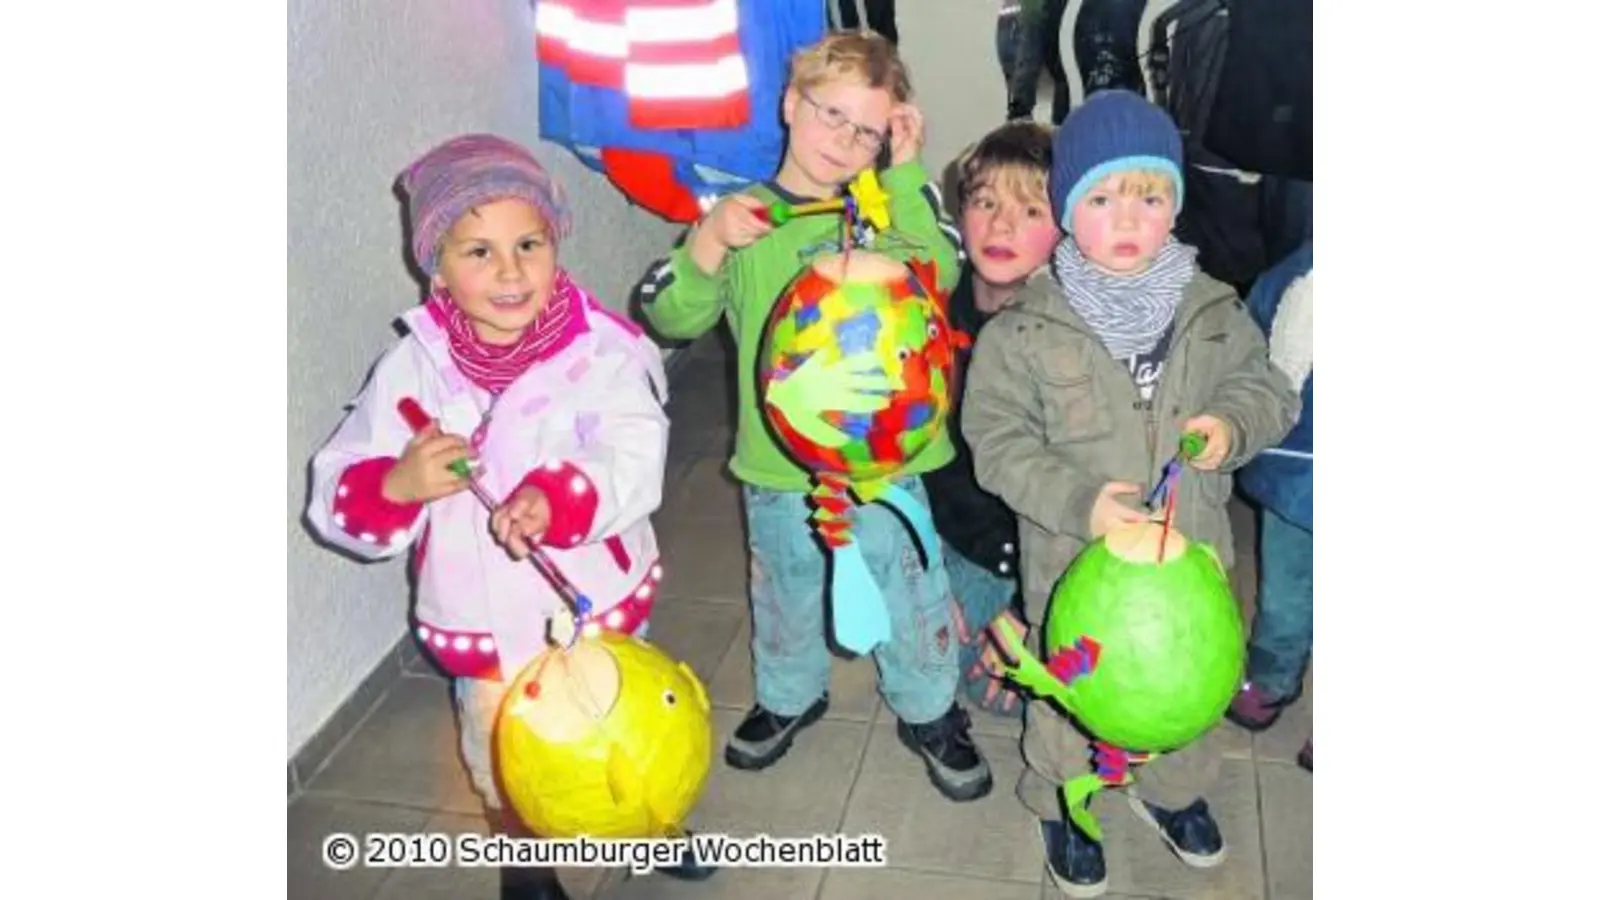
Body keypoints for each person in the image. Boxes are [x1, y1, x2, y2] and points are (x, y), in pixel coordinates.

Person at [305, 134, 713, 899]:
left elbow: (635, 448)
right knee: (502, 747)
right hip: (483, 615)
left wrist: (559, 497)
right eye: (478, 251)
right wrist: (397, 482)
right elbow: (336, 484)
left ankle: (650, 812)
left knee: (616, 714)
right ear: (436, 266)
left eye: (528, 243)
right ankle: (524, 859)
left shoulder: (603, 352)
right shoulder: (413, 369)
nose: (510, 271)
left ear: (555, 244)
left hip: (590, 590)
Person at [633, 30, 992, 802]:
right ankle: (790, 693)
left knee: (908, 584)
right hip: (777, 465)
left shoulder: (886, 207)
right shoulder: (741, 217)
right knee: (785, 586)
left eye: (868, 129)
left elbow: (946, 264)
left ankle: (930, 708)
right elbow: (669, 314)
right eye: (832, 115)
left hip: (889, 465)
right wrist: (705, 244)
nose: (846, 141)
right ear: (791, 104)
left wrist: (899, 174)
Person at [962, 90, 1298, 897]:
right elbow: (997, 444)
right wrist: (1082, 502)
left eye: (1150, 197)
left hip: (1190, 564)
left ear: (1174, 207)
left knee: (1186, 684)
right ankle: (1059, 804)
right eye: (1104, 198)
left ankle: (1171, 794)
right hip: (1072, 562)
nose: (1128, 218)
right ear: (1069, 210)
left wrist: (1233, 422)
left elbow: (1270, 389)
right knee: (1068, 698)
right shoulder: (1024, 330)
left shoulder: (1214, 311)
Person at [924, 121, 1058, 719]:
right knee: (922, 667)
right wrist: (922, 573)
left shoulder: (1070, 340)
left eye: (1030, 210)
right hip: (942, 536)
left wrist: (1028, 614)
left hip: (1028, 554)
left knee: (1029, 699)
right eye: (985, 203)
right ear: (961, 212)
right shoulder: (929, 310)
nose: (1001, 226)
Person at [1226, 239, 1313, 773]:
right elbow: (1260, 350)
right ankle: (1276, 674)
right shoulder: (1304, 274)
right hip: (1301, 473)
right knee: (1285, 590)